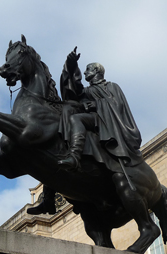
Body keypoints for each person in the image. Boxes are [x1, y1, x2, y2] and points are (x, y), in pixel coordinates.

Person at [27, 47, 143, 215]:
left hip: (108, 124)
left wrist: (95, 105)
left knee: (76, 119)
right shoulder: (88, 91)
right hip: (92, 124)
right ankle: (48, 199)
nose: (86, 72)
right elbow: (74, 91)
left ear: (96, 71)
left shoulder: (111, 86)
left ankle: (74, 155)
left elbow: (116, 106)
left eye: (88, 69)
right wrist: (71, 65)